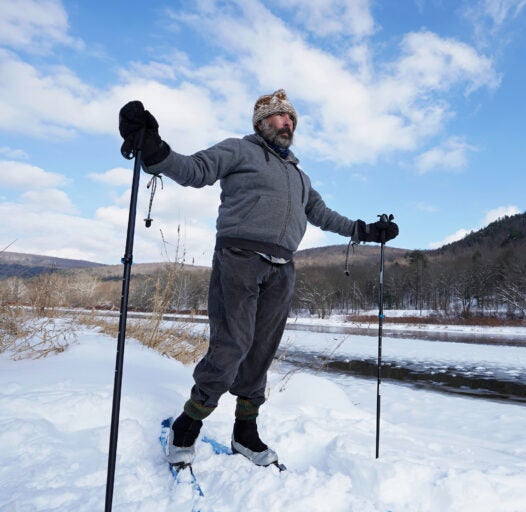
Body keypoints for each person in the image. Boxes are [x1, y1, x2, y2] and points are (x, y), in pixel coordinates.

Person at [118, 89, 398, 468]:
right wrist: (156, 151)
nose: (289, 124)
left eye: (292, 119)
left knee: (262, 350)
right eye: (282, 117)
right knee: (232, 344)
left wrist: (364, 230)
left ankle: (245, 432)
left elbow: (323, 215)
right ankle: (189, 422)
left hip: (282, 267)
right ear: (262, 122)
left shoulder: (300, 177)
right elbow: (196, 170)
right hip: (239, 258)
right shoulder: (239, 150)